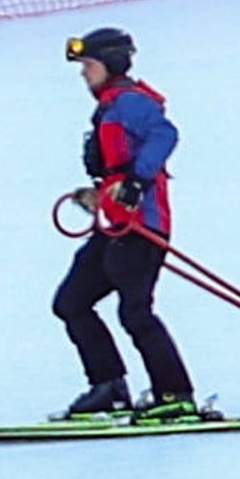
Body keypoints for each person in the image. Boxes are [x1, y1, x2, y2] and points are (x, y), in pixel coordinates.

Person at [53, 27, 200, 419]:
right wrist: (99, 196)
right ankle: (109, 387)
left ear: (112, 65)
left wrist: (136, 182)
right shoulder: (110, 107)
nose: (83, 73)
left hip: (143, 229)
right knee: (71, 302)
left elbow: (165, 136)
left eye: (89, 64)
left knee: (135, 312)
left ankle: (175, 395)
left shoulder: (130, 102)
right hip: (114, 227)